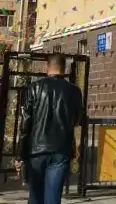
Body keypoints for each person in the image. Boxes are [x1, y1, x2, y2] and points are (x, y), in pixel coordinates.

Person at [14, 54, 84, 204]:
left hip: (36, 150)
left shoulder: (34, 88)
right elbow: (78, 120)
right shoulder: (74, 91)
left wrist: (20, 155)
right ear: (64, 68)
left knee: (35, 197)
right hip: (61, 150)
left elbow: (25, 124)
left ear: (47, 67)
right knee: (53, 197)